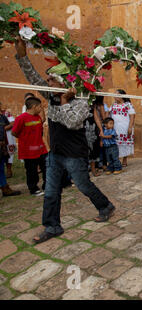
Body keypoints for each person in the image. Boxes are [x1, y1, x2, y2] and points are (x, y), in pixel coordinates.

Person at [14, 37, 115, 243]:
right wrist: (22, 55)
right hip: (56, 153)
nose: (47, 83)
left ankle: (105, 206)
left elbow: (71, 122)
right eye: (48, 80)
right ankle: (52, 226)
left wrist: (63, 101)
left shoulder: (81, 101)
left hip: (75, 154)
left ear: (63, 81)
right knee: (51, 191)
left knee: (84, 185)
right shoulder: (50, 94)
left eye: (51, 80)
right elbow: (33, 77)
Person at [11, 97, 48, 196]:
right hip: (28, 152)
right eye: (40, 106)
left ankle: (47, 185)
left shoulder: (38, 117)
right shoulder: (21, 118)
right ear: (34, 106)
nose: (41, 109)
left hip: (41, 149)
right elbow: (14, 132)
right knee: (32, 171)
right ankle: (33, 188)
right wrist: (24, 139)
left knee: (46, 167)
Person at [110, 89, 135, 167]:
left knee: (125, 144)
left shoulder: (127, 105)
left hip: (125, 126)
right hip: (116, 127)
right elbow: (108, 114)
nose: (115, 97)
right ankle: (116, 160)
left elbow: (132, 116)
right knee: (116, 144)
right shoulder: (113, 105)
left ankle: (125, 159)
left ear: (122, 96)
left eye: (117, 95)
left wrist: (130, 127)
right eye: (115, 95)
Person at [0, 110, 21, 197]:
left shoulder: (2, 117)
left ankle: (5, 188)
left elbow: (8, 125)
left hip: (2, 145)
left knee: (1, 167)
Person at [85, 100, 102, 177]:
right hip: (80, 130)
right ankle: (83, 172)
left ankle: (93, 169)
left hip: (92, 129)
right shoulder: (74, 102)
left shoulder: (92, 105)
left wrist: (101, 129)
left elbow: (96, 118)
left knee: (93, 149)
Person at [0, 102, 16, 178]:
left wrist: (3, 128)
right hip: (1, 137)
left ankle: (9, 170)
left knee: (9, 153)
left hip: (8, 137)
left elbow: (13, 123)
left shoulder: (6, 113)